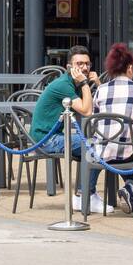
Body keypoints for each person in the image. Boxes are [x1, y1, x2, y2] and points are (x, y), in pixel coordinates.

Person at [80, 43, 133, 214]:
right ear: (130, 68)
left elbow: (94, 117)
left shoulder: (101, 90)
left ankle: (127, 188)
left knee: (126, 144)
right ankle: (131, 186)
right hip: (132, 154)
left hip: (104, 153)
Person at [30, 46, 97, 174]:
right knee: (94, 145)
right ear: (69, 67)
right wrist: (84, 83)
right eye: (79, 64)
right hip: (45, 139)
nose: (84, 67)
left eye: (87, 64)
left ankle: (86, 190)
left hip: (56, 136)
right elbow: (86, 111)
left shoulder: (75, 84)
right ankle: (85, 191)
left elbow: (94, 110)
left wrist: (98, 84)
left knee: (100, 143)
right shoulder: (64, 85)